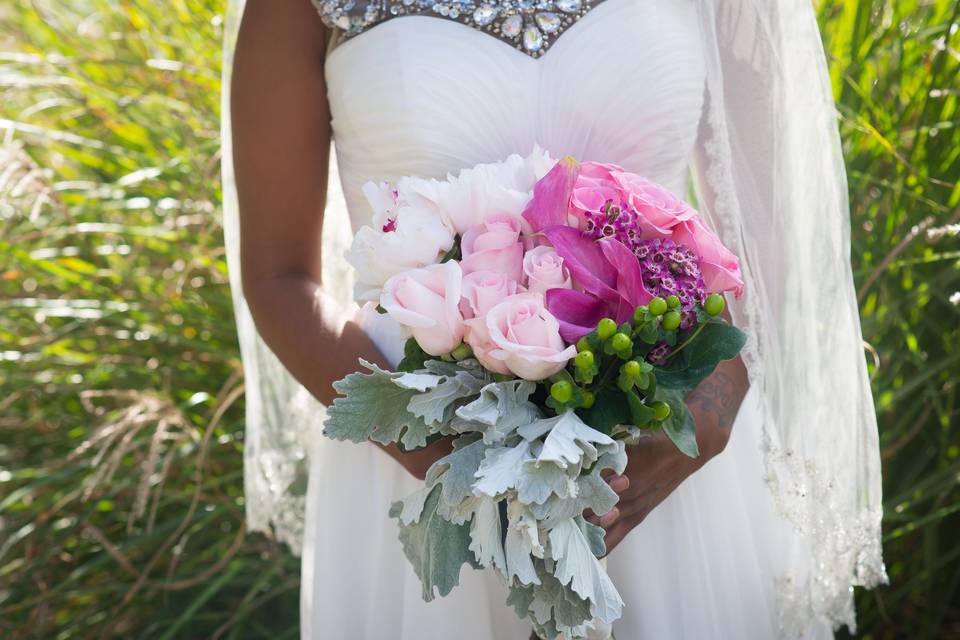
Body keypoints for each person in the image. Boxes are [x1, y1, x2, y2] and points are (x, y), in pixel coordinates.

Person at [221, 1, 887, 637]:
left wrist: (711, 409)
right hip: (419, 451)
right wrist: (469, 474)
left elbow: (767, 228)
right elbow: (280, 278)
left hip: (660, 448)